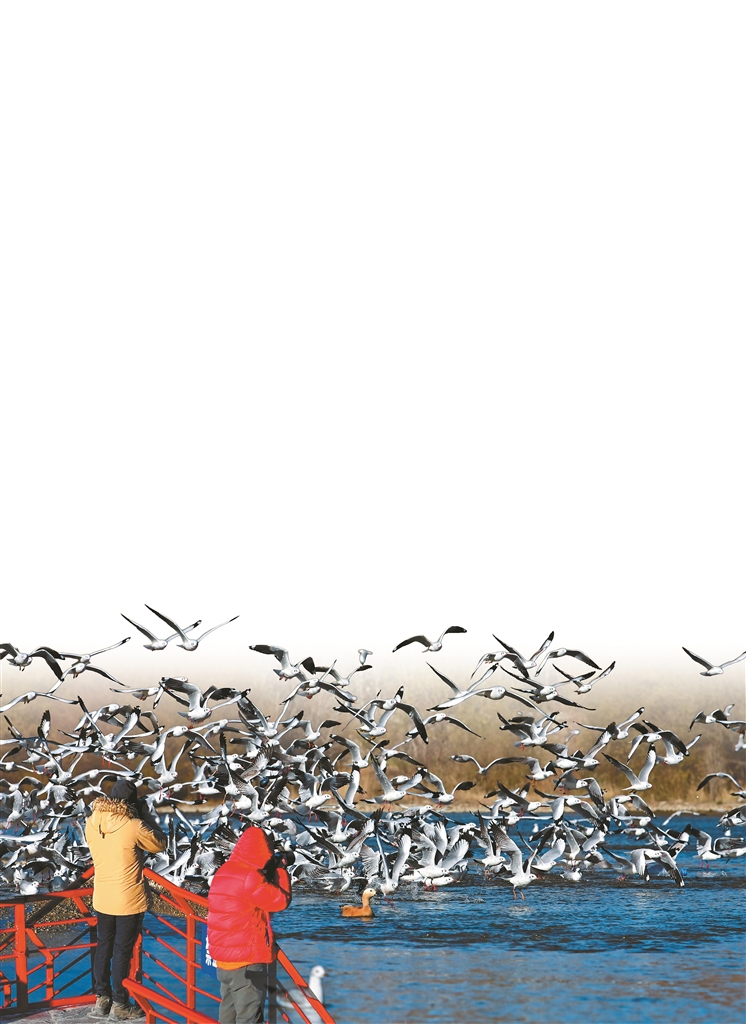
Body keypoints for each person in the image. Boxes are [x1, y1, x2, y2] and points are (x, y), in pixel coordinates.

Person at [85, 778, 167, 1020]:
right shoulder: (133, 825)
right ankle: (120, 1004)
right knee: (122, 950)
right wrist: (146, 816)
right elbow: (160, 843)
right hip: (128, 898)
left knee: (103, 946)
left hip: (103, 896)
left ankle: (102, 999)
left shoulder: (93, 821)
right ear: (132, 804)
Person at [207, 826, 293, 1024]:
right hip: (246, 961)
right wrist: (281, 871)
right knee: (249, 1016)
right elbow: (280, 901)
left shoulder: (224, 871)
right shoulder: (250, 876)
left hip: (224, 959)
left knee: (228, 1012)